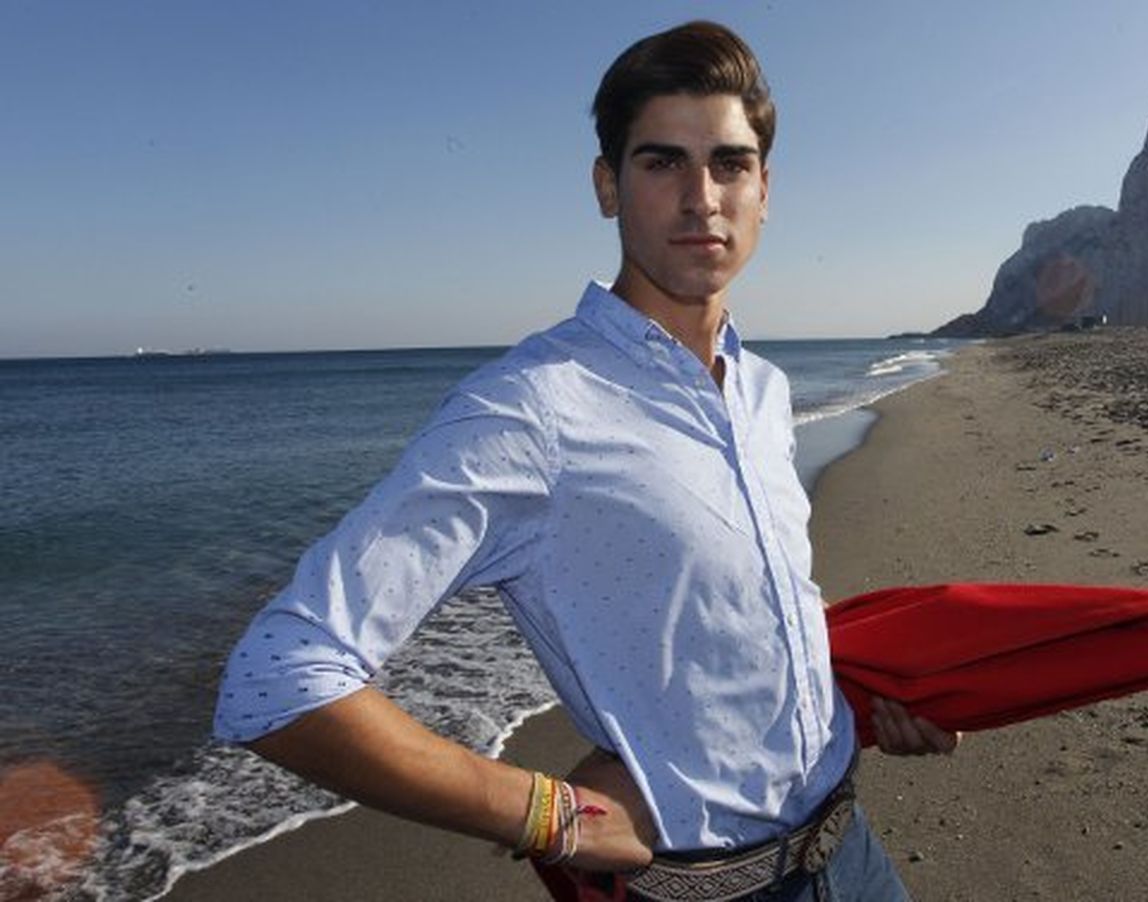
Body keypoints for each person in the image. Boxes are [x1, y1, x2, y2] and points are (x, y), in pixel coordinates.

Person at [213, 20, 955, 901]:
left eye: (729, 163)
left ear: (765, 188)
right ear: (609, 187)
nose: (701, 197)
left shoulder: (762, 389)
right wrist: (543, 814)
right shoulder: (531, 408)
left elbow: (749, 612)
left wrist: (864, 703)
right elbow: (278, 675)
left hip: (852, 854)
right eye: (661, 162)